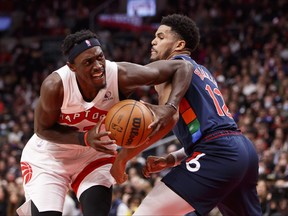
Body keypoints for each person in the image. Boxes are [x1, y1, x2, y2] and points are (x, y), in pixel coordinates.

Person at [16, 29, 193, 216]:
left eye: (100, 57)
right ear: (72, 67)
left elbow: (183, 68)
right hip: (50, 158)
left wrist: (171, 106)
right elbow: (42, 130)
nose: (98, 65)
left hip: (95, 156)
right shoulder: (55, 85)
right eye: (88, 62)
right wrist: (84, 138)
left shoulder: (120, 75)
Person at [110, 14, 262, 216]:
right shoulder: (203, 71)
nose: (153, 41)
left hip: (218, 153)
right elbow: (208, 131)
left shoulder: (170, 69)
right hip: (243, 151)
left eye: (161, 37)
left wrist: (123, 157)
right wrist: (171, 159)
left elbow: (167, 121)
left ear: (179, 44)